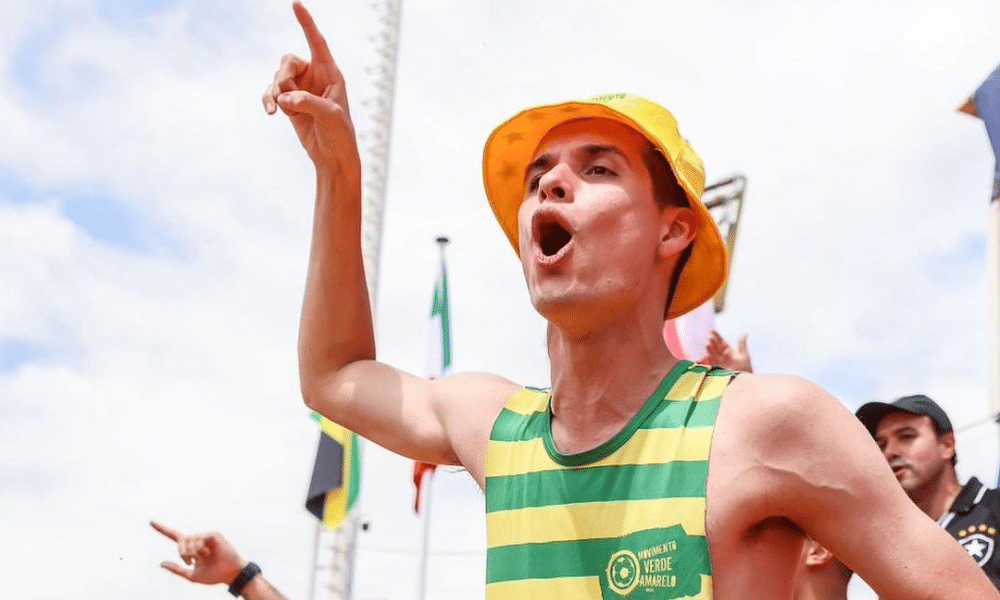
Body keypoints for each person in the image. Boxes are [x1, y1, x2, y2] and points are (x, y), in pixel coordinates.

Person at [216, 2, 1000, 599]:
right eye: (539, 177)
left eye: (598, 170)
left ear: (674, 232)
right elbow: (334, 374)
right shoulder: (494, 426)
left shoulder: (766, 423)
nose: (551, 183)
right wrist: (337, 173)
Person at [856, 395, 1000, 589]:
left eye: (906, 436)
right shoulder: (893, 549)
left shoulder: (994, 506)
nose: (889, 452)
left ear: (947, 445)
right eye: (881, 445)